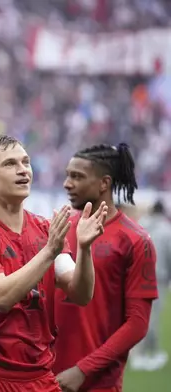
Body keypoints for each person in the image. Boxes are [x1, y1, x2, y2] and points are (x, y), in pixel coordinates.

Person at [0, 135, 107, 392]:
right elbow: (1, 296)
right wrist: (49, 252)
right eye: (10, 164)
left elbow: (80, 293)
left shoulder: (45, 229)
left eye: (26, 162)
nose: (23, 169)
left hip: (39, 375)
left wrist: (84, 248)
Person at [54, 142, 158, 392]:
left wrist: (83, 370)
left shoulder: (135, 240)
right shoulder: (60, 228)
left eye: (77, 177)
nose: (68, 183)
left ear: (104, 183)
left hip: (96, 383)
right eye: (67, 175)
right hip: (44, 376)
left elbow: (137, 324)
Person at [132, 200, 171, 371]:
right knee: (151, 318)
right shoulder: (165, 230)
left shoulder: (139, 226)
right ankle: (143, 355)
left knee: (137, 315)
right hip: (157, 277)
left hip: (137, 277)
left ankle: (139, 353)